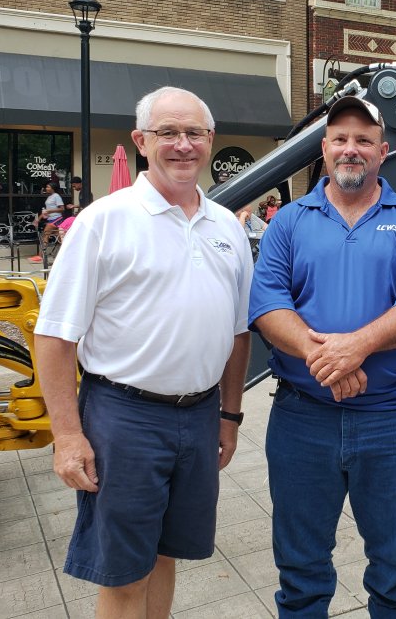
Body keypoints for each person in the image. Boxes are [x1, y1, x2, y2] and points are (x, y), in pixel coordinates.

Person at [34, 86, 253, 618]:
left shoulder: (227, 227)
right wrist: (66, 435)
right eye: (168, 133)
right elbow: (54, 336)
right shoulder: (102, 222)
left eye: (194, 133)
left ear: (210, 140)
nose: (183, 145)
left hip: (198, 416)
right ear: (141, 141)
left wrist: (229, 417)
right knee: (123, 572)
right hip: (123, 417)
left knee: (165, 555)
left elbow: (238, 333)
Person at [249, 95, 396, 617]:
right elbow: (268, 302)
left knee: (395, 570)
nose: (350, 149)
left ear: (383, 151)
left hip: (393, 422)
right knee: (301, 572)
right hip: (302, 420)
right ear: (324, 148)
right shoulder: (289, 222)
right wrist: (327, 359)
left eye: (363, 140)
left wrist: (356, 347)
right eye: (340, 139)